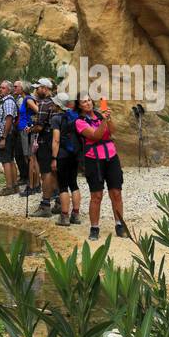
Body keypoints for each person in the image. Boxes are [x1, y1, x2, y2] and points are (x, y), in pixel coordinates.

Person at [74, 94, 125, 240]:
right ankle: (94, 228)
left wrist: (108, 118)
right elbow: (95, 136)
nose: (88, 103)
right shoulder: (79, 122)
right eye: (84, 102)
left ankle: (120, 224)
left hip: (111, 156)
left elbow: (112, 131)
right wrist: (103, 120)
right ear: (79, 106)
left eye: (89, 100)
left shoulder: (99, 114)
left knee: (116, 192)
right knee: (96, 195)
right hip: (93, 159)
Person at [50, 93, 82, 226]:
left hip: (62, 155)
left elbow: (56, 140)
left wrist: (53, 158)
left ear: (58, 105)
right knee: (73, 184)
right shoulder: (75, 116)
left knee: (63, 186)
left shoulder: (56, 118)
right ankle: (76, 214)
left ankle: (64, 216)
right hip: (74, 154)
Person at [31, 77, 57, 217]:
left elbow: (39, 126)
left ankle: (45, 204)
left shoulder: (44, 104)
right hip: (56, 139)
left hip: (45, 141)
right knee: (55, 171)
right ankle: (59, 201)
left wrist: (30, 129)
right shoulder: (56, 102)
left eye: (38, 88)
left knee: (45, 172)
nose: (36, 90)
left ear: (45, 89)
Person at [0, 80, 20, 196]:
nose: (0, 89)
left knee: (5, 160)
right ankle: (14, 186)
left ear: (9, 90)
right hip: (7, 134)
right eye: (0, 87)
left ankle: (9, 187)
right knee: (10, 159)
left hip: (6, 135)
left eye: (3, 88)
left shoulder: (8, 101)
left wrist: (3, 137)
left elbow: (9, 119)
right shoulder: (5, 101)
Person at [14, 79, 39, 196]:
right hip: (26, 131)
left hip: (28, 132)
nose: (15, 88)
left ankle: (31, 186)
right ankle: (36, 185)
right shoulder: (27, 98)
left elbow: (39, 111)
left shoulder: (28, 99)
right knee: (31, 159)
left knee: (30, 159)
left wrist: (32, 124)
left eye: (17, 87)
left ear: (23, 89)